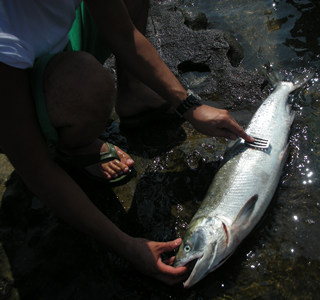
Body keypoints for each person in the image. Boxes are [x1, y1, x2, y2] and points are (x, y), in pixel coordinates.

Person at [0, 0, 253, 285]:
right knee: (86, 83)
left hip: (50, 47)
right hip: (10, 94)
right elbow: (36, 168)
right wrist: (127, 246)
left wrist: (190, 106)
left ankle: (134, 93)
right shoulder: (5, 29)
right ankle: (72, 145)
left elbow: (124, 33)